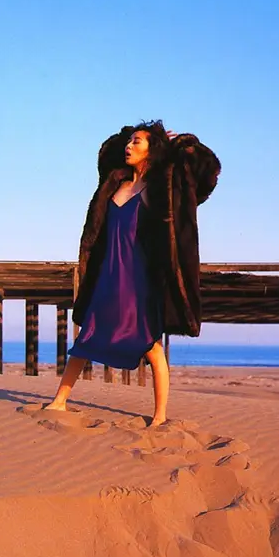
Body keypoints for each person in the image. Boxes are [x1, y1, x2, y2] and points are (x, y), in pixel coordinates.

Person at [45, 120, 220, 426]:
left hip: (139, 279)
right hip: (108, 274)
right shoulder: (115, 182)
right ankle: (59, 401)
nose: (129, 146)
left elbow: (206, 173)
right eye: (129, 141)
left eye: (137, 142)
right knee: (88, 335)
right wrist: (137, 136)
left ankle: (160, 416)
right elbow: (109, 151)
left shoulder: (160, 189)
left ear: (152, 149)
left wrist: (179, 144)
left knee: (150, 345)